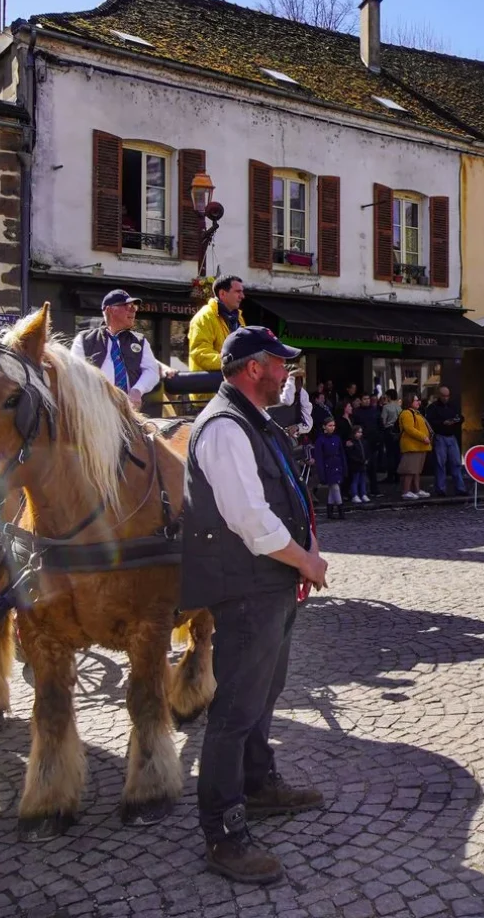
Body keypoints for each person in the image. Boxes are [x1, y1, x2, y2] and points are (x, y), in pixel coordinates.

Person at [181, 325, 329, 885]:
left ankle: (260, 783)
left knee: (264, 691)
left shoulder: (254, 422)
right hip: (246, 587)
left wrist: (306, 546)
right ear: (252, 369)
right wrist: (305, 560)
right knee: (234, 711)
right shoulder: (223, 427)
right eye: (279, 363)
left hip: (272, 582)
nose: (287, 370)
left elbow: (286, 492)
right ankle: (223, 830)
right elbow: (249, 519)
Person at [77, 289, 161, 411]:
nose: (133, 310)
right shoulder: (84, 339)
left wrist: (137, 390)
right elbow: (76, 374)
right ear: (109, 310)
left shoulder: (140, 341)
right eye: (127, 306)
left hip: (131, 411)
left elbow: (152, 371)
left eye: (134, 307)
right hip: (95, 411)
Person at [424, 386, 467, 496]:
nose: (446, 398)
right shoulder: (433, 407)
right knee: (440, 464)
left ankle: (460, 488)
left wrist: (456, 420)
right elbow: (429, 422)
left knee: (456, 463)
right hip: (440, 436)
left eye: (447, 396)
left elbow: (461, 417)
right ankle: (441, 489)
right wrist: (443, 423)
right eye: (444, 396)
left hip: (451, 436)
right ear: (439, 395)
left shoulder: (452, 406)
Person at [397, 394, 431, 499]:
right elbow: (409, 429)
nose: (418, 402)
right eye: (416, 400)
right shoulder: (407, 413)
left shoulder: (417, 413)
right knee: (409, 470)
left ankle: (416, 490)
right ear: (410, 402)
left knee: (416, 470)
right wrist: (423, 437)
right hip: (412, 446)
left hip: (419, 446)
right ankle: (406, 491)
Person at [312, 418, 346, 521]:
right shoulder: (320, 440)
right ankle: (341, 511)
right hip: (328, 467)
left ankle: (330, 512)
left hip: (337, 465)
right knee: (335, 488)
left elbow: (341, 453)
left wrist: (344, 467)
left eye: (333, 426)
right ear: (324, 427)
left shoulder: (337, 438)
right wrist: (321, 473)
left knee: (333, 489)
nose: (332, 428)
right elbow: (319, 457)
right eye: (330, 426)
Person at [344, 424, 371, 505]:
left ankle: (363, 494)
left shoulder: (363, 442)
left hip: (362, 464)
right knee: (355, 480)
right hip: (355, 465)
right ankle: (355, 495)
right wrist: (361, 461)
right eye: (358, 432)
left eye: (361, 432)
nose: (360, 434)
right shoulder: (351, 443)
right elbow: (351, 455)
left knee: (363, 480)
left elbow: (367, 452)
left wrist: (366, 460)